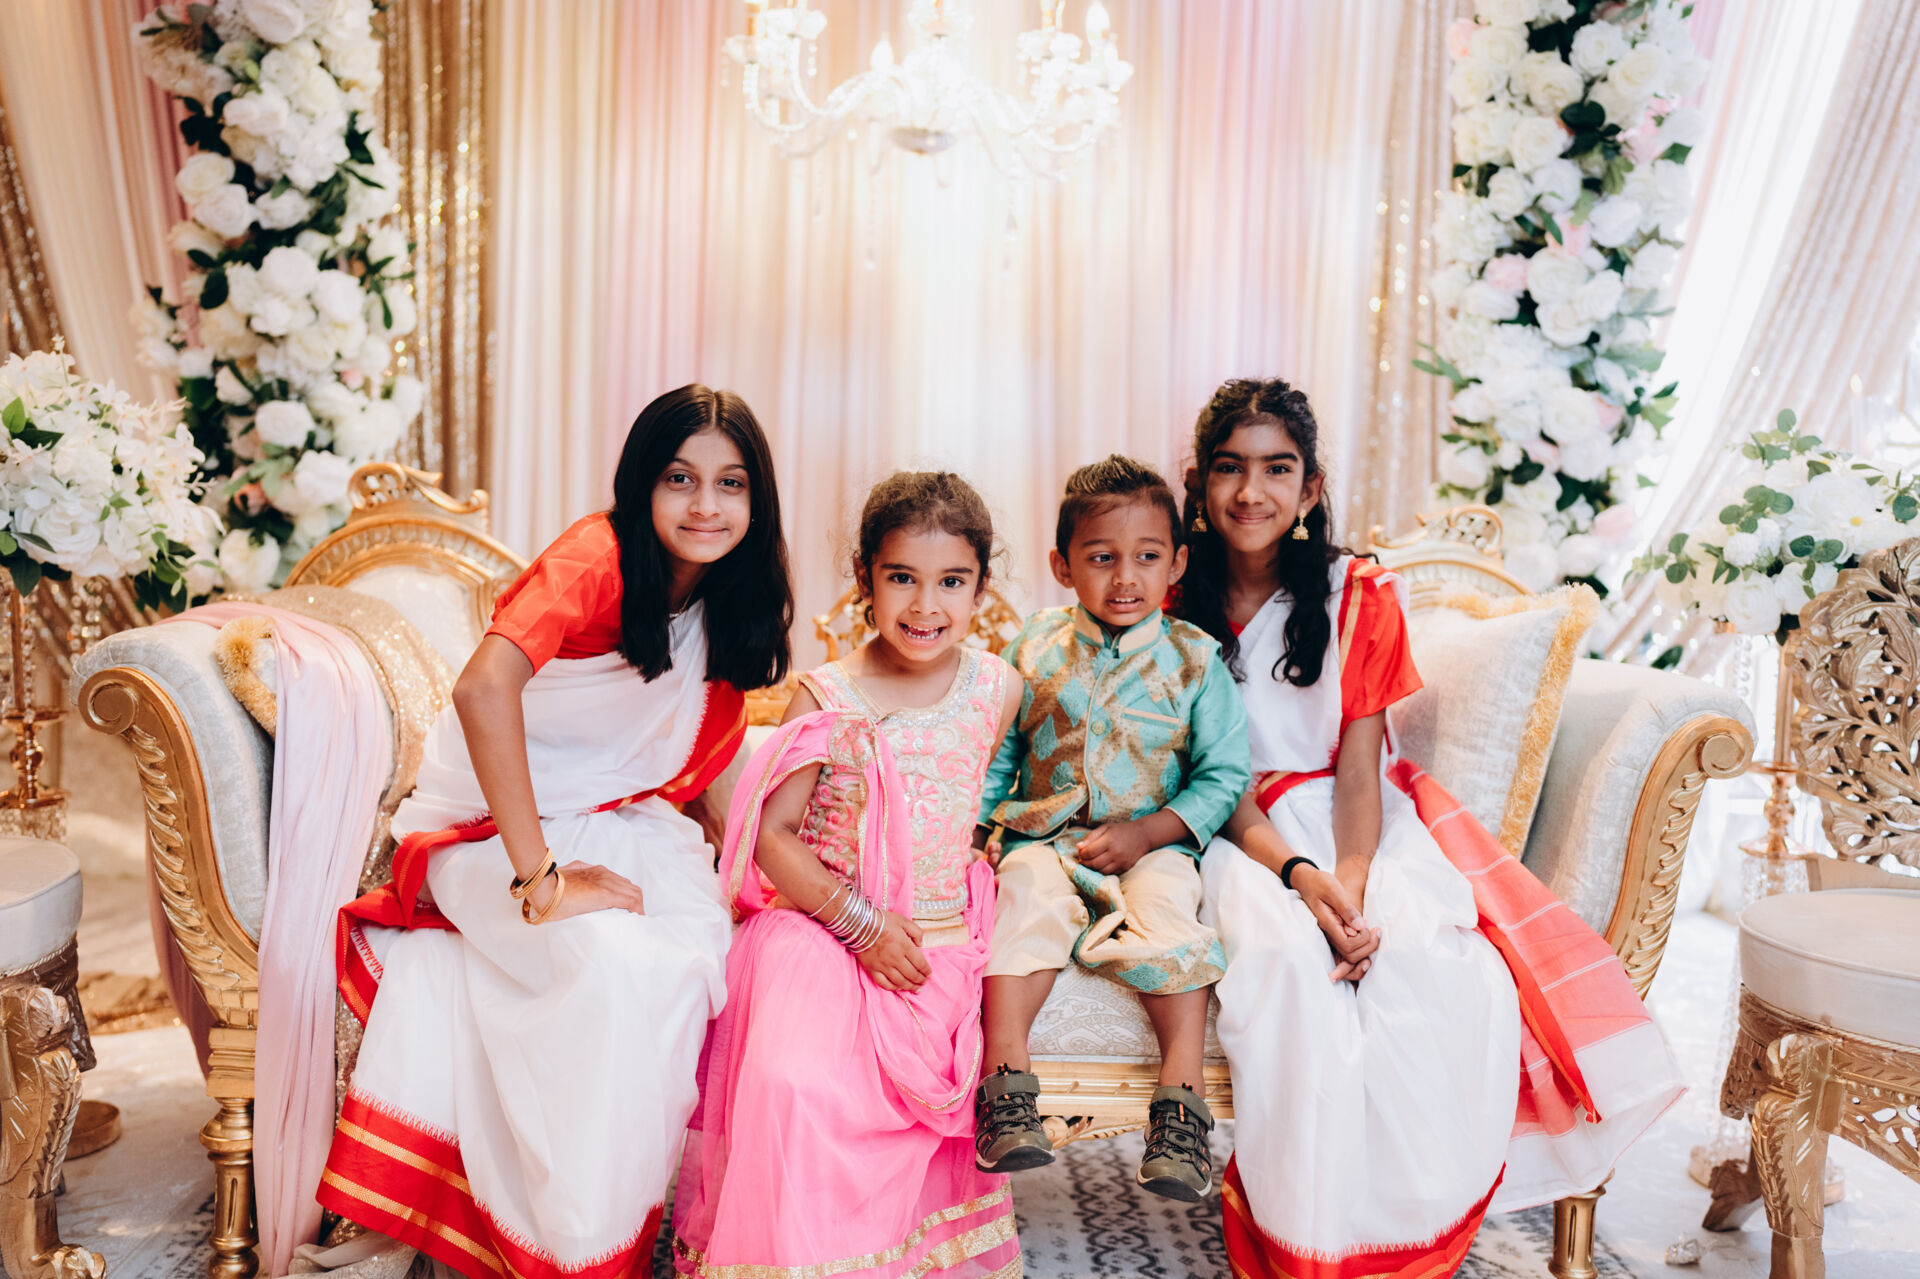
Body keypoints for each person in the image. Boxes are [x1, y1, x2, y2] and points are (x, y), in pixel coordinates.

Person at [1182, 378, 1685, 1278]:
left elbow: (1358, 767)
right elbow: (1209, 776)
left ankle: (1396, 1236)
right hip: (1230, 824)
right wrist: (1305, 881)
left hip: (1354, 816)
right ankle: (1306, 1239)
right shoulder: (1172, 591)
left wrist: (1353, 882)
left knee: (1430, 962)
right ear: (1199, 481)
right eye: (1229, 468)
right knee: (1289, 963)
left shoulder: (1357, 595)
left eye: (1277, 468)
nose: (1251, 491)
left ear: (1311, 486)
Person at [321, 385, 793, 1279]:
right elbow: (481, 687)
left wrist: (806, 888)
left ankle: (607, 1242)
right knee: (610, 968)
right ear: (641, 483)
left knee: (690, 963)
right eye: (680, 478)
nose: (705, 504)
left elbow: (707, 769)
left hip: (614, 822)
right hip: (482, 832)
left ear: (756, 499)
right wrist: (542, 878)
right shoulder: (598, 555)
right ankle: (565, 1251)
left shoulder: (729, 594)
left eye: (730, 483)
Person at [673, 472, 1025, 1279]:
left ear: (982, 588)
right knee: (793, 1082)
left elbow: (987, 796)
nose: (926, 605)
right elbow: (773, 837)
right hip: (825, 925)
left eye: (952, 581)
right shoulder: (826, 694)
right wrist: (860, 926)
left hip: (939, 935)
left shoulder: (998, 687)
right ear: (865, 577)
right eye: (902, 577)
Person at [972, 455, 1248, 1202]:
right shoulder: (1034, 645)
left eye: (1147, 557)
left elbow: (1224, 774)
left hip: (1152, 844)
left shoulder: (1195, 660)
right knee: (1023, 906)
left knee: (1170, 917)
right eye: (1101, 558)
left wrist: (1151, 832)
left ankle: (1179, 1112)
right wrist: (975, 831)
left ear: (1176, 563)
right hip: (1042, 837)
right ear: (1063, 566)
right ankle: (1006, 1093)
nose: (1125, 577)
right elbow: (997, 752)